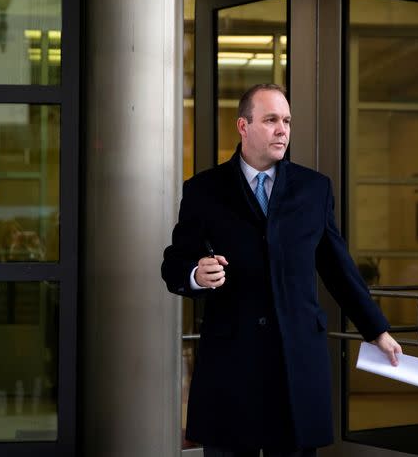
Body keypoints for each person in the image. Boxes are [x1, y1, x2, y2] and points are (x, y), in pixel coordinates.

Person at [161, 84, 401, 457]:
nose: (282, 129)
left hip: (296, 361)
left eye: (286, 121)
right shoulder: (203, 190)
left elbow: (338, 268)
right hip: (231, 363)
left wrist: (376, 330)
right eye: (271, 120)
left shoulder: (314, 189)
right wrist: (195, 273)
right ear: (243, 126)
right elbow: (174, 263)